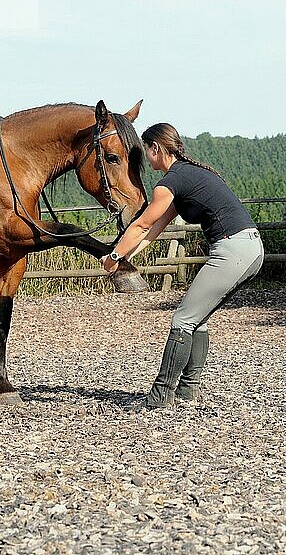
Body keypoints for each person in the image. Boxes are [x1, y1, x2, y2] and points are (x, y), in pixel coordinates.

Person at [101, 123, 264, 410]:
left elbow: (141, 224)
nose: (145, 159)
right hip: (249, 248)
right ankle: (188, 390)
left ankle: (161, 395)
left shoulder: (170, 183)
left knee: (182, 320)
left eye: (145, 151)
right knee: (197, 317)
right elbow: (154, 230)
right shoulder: (188, 175)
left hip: (233, 249)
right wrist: (126, 258)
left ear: (155, 149)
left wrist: (113, 256)